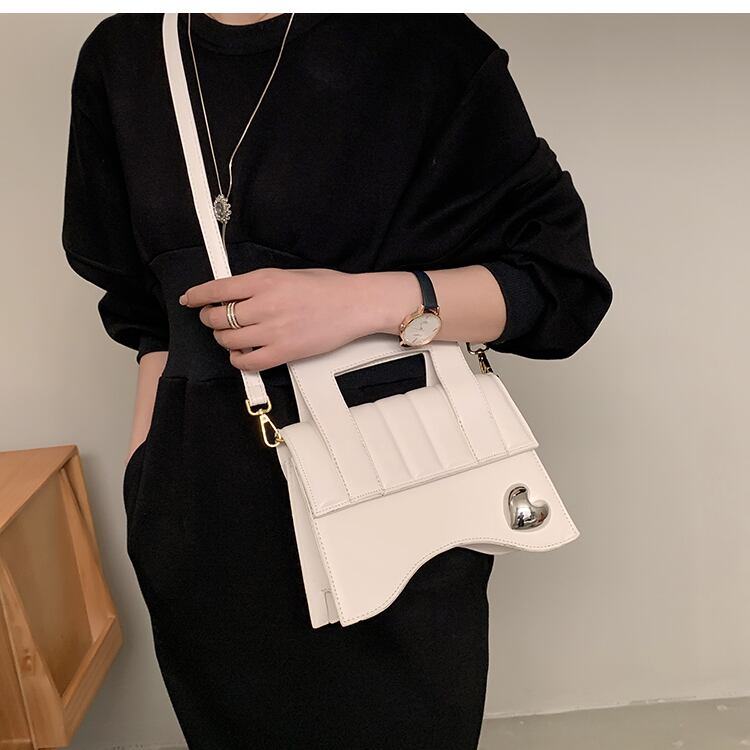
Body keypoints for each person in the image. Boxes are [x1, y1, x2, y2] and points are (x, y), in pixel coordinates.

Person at [62, 12, 612, 749]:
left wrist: (361, 303)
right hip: (201, 527)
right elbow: (147, 315)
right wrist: (148, 479)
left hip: (395, 505)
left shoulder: (425, 44)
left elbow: (561, 286)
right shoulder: (124, 56)